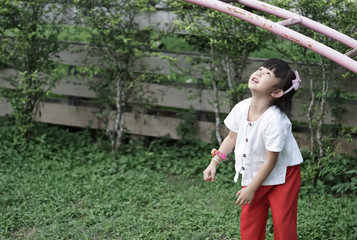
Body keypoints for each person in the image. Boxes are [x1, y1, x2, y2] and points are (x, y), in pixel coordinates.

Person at [203, 58, 303, 240]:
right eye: (260, 69)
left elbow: (271, 162)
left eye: (267, 74)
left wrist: (251, 189)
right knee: (250, 222)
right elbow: (232, 137)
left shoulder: (276, 121)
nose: (258, 73)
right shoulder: (242, 107)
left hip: (284, 176)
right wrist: (214, 162)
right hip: (254, 172)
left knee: (283, 223)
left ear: (277, 92)